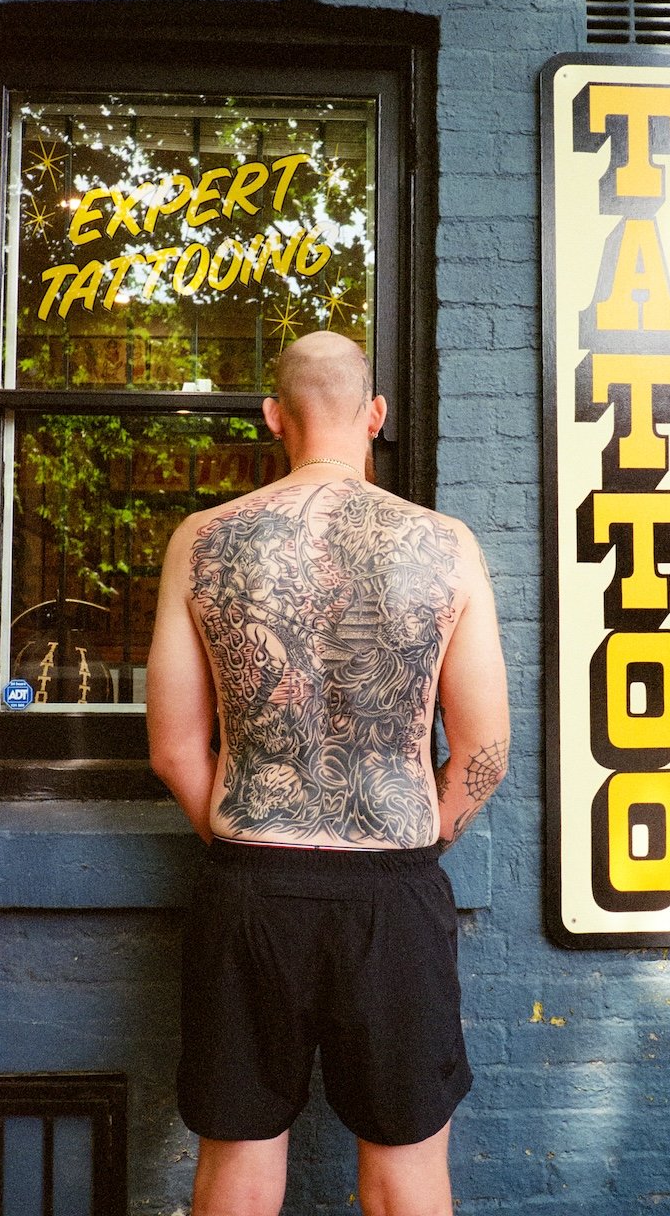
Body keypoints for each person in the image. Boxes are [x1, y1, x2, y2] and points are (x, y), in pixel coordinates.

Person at [146, 330, 509, 1216]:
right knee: (406, 1168)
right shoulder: (445, 545)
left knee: (236, 1161)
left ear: (274, 417)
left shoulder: (204, 540)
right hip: (392, 887)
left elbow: (173, 749)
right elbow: (484, 749)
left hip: (250, 885)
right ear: (374, 415)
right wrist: (419, 838)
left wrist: (240, 837)